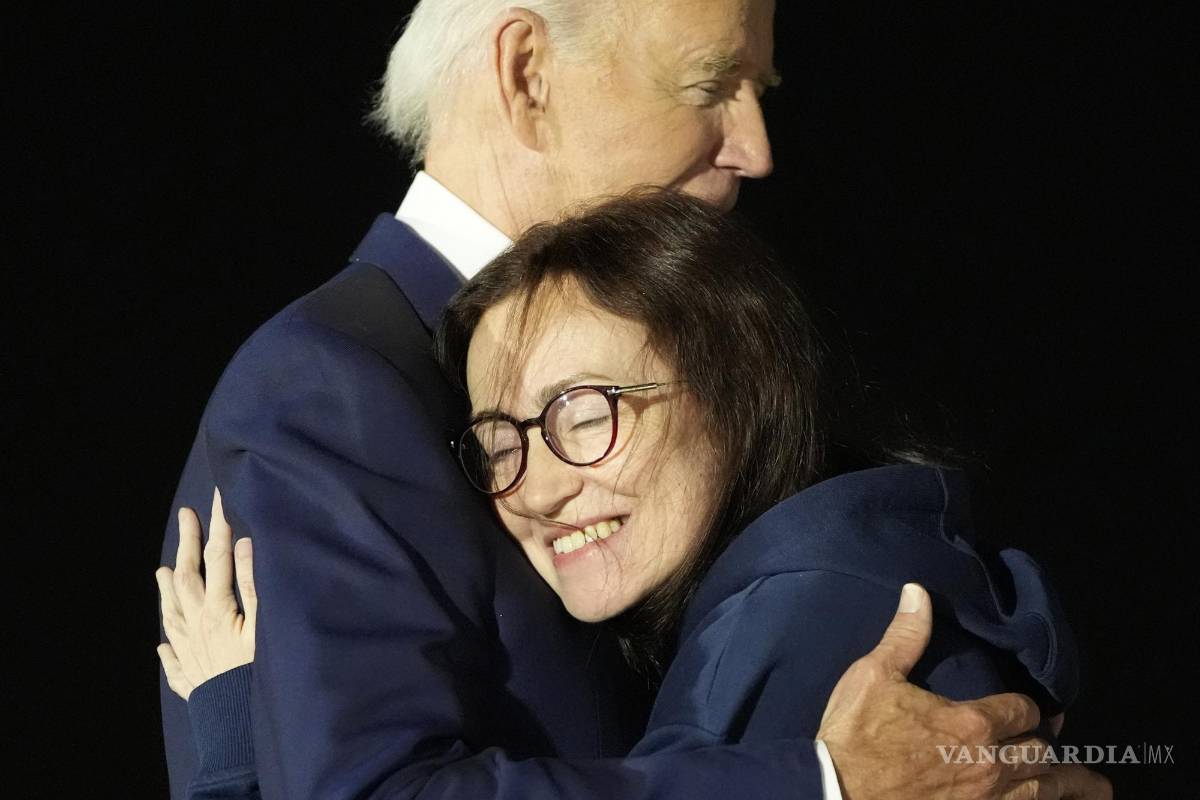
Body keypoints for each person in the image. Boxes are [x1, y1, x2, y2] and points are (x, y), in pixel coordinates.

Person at [157, 1, 1104, 798]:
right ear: (527, 74)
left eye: (586, 414)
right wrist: (820, 780)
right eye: (707, 85)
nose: (757, 148)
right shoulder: (331, 389)